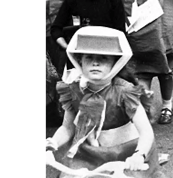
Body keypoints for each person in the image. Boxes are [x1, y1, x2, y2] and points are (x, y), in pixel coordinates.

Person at [46, 27, 164, 177]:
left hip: (126, 152)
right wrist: (52, 144)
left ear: (115, 63)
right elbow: (67, 128)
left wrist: (139, 155)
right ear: (79, 61)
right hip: (89, 153)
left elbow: (146, 131)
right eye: (89, 57)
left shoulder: (125, 92)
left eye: (103, 58)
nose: (95, 63)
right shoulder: (73, 90)